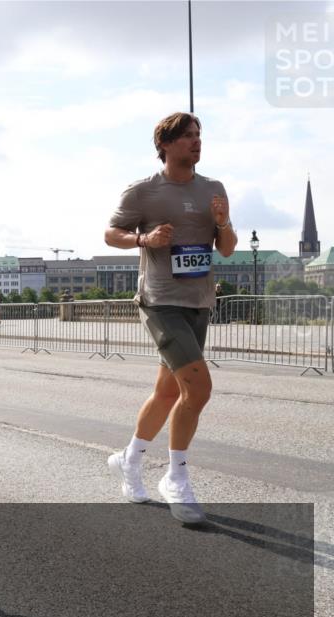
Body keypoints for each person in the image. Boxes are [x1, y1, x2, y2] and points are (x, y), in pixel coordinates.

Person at [104, 112, 237, 525]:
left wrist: (223, 221)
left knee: (167, 392)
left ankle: (129, 460)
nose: (196, 142)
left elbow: (228, 248)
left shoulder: (213, 189)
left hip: (199, 301)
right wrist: (144, 238)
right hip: (160, 300)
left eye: (199, 135)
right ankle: (175, 478)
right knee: (198, 388)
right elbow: (111, 233)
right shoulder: (143, 192)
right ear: (165, 144)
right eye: (187, 137)